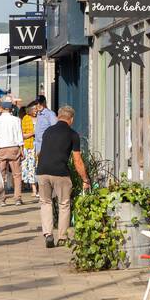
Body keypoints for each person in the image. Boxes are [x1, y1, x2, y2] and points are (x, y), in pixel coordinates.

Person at [36, 105, 90, 248]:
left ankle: (48, 234)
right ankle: (62, 237)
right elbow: (77, 161)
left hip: (42, 171)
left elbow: (40, 153)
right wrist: (85, 179)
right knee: (64, 204)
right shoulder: (73, 135)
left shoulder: (47, 132)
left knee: (45, 202)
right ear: (71, 119)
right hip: (60, 172)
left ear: (58, 116)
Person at [0, 101, 25, 205]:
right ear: (10, 109)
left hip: (1, 148)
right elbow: (19, 134)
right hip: (14, 147)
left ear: (1, 108)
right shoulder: (16, 120)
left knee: (1, 175)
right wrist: (21, 148)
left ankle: (2, 199)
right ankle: (17, 198)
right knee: (17, 174)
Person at [21, 102, 39, 201]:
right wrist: (33, 133)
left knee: (38, 166)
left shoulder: (40, 118)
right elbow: (23, 135)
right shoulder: (26, 119)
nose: (36, 111)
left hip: (40, 145)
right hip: (29, 146)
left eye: (37, 109)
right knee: (31, 167)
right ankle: (34, 189)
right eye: (34, 109)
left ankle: (39, 188)